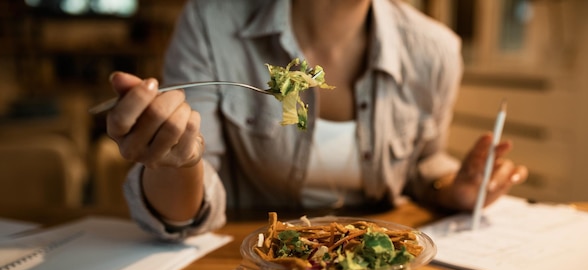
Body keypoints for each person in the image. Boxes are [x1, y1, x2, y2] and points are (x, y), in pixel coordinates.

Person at [105, 0, 528, 241]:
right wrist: (176, 158)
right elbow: (187, 201)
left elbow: (425, 163)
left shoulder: (435, 51)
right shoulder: (210, 24)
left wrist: (454, 186)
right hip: (248, 269)